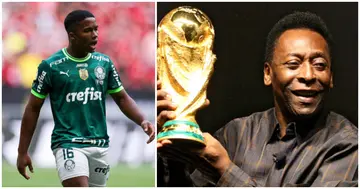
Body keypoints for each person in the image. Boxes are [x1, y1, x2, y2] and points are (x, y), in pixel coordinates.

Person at [157, 11, 358, 187]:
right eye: (293, 64)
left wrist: (224, 171)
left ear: (331, 77)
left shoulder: (348, 145)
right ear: (268, 74)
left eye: (320, 65)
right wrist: (174, 152)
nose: (308, 75)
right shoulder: (235, 134)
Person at [16, 10, 155, 187]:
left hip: (100, 144)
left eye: (96, 29)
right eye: (88, 30)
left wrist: (142, 120)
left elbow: (121, 98)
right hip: (68, 143)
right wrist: (22, 152)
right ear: (72, 36)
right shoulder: (50, 67)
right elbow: (33, 108)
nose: (95, 34)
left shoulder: (104, 63)